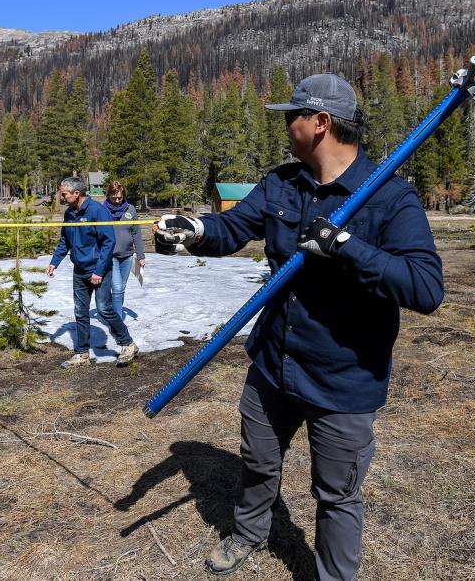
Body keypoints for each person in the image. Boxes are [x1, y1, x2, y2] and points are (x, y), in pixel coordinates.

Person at [155, 74, 444, 580]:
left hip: (343, 378)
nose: (285, 126)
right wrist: (195, 230)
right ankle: (248, 532)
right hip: (273, 364)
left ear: (320, 123)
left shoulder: (389, 198)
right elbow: (233, 227)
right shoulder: (280, 184)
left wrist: (347, 246)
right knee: (258, 460)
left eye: (292, 116)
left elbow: (425, 288)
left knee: (336, 494)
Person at [46, 177, 139, 368]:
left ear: (76, 194)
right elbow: (65, 241)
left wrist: (98, 270)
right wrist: (54, 262)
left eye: (64, 194)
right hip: (79, 271)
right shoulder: (70, 214)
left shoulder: (98, 211)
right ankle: (82, 354)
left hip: (99, 270)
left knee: (104, 308)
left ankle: (128, 344)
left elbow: (108, 242)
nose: (62, 197)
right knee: (80, 312)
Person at [103, 180, 145, 321]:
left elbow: (136, 233)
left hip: (127, 255)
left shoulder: (130, 209)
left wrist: (140, 255)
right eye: (114, 197)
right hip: (110, 256)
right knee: (117, 288)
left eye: (119, 197)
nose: (117, 200)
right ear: (109, 195)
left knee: (121, 288)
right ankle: (118, 322)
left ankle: (115, 314)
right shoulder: (103, 210)